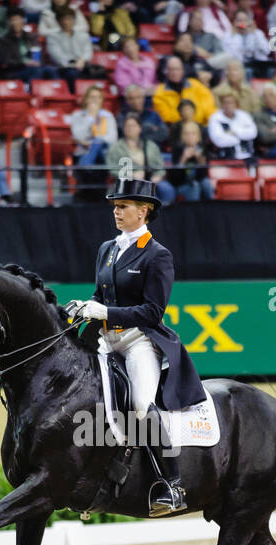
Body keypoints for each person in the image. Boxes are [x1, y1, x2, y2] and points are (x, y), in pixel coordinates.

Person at [63, 179, 206, 516]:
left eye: (123, 206)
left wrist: (106, 312)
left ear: (144, 211)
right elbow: (101, 295)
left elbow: (153, 311)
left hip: (138, 341)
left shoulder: (158, 255)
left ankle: (173, 485)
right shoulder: (107, 249)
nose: (116, 211)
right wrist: (86, 306)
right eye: (115, 206)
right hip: (105, 340)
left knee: (141, 406)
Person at [106, 113, 173, 201]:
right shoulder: (116, 147)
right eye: (127, 126)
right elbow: (112, 170)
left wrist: (158, 177)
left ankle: (165, 213)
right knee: (141, 191)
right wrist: (131, 175)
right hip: (126, 182)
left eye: (133, 125)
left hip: (151, 179)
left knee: (166, 189)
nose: (130, 128)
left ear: (140, 128)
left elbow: (160, 166)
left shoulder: (150, 145)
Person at [154, 55, 215, 124]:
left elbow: (209, 109)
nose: (175, 73)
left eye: (177, 69)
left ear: (183, 70)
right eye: (171, 69)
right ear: (166, 72)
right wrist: (188, 119)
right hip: (176, 128)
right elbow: (167, 117)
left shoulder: (196, 85)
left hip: (201, 126)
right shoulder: (160, 92)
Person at [0, 9, 56, 80]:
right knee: (37, 71)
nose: (15, 23)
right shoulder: (4, 40)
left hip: (34, 67)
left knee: (51, 70)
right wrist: (24, 63)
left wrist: (37, 62)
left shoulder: (31, 37)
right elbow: (6, 61)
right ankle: (32, 89)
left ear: (23, 21)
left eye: (17, 20)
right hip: (16, 71)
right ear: (9, 22)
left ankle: (59, 90)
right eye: (12, 20)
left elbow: (39, 55)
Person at [70, 84, 118, 167]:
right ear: (86, 99)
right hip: (84, 151)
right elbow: (78, 136)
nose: (95, 100)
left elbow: (112, 138)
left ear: (102, 100)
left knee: (97, 143)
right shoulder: (77, 115)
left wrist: (95, 141)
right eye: (92, 97)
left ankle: (85, 166)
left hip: (104, 151)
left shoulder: (108, 116)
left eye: (98, 97)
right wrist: (90, 117)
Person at [165, 119, 214, 200]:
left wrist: (199, 160)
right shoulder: (177, 150)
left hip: (199, 182)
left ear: (198, 136)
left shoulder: (203, 150)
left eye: (193, 134)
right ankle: (194, 212)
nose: (190, 136)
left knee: (206, 183)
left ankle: (212, 209)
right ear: (182, 136)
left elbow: (203, 176)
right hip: (182, 185)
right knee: (194, 186)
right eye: (186, 134)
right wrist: (183, 159)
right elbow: (174, 179)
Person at [50, 7, 93, 90]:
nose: (66, 22)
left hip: (83, 65)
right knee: (72, 74)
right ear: (58, 21)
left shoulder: (83, 35)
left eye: (69, 19)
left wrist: (82, 60)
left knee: (98, 74)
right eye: (63, 19)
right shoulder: (53, 37)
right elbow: (58, 57)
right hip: (64, 68)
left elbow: (88, 52)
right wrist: (75, 63)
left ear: (74, 20)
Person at [206, 89, 257, 160]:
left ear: (236, 103)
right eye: (225, 102)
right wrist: (241, 136)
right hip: (226, 158)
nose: (228, 105)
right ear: (221, 104)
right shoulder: (215, 118)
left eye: (231, 102)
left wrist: (235, 132)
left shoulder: (244, 115)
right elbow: (219, 140)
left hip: (248, 156)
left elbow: (253, 133)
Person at [118, 84, 169, 148]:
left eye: (138, 97)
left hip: (153, 150)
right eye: (131, 99)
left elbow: (164, 134)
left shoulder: (154, 114)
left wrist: (140, 133)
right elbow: (125, 135)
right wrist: (151, 129)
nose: (136, 101)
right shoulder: (122, 116)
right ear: (126, 101)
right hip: (131, 150)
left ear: (143, 98)